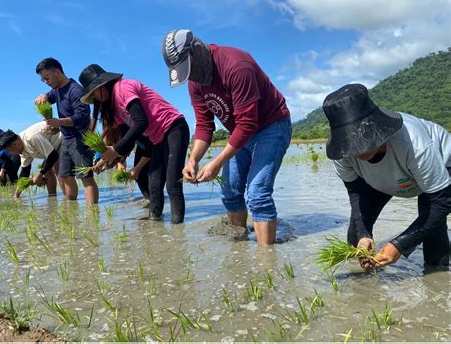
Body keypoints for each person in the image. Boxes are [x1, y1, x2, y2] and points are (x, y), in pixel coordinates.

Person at [162, 29, 291, 244]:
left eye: (189, 68)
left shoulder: (236, 66)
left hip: (271, 125)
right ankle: (240, 249)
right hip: (241, 131)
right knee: (230, 191)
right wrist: (193, 159)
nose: (191, 77)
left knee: (258, 193)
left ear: (197, 49)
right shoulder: (195, 83)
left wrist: (216, 163)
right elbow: (204, 125)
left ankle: (266, 262)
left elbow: (248, 123)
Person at [322, 83, 450, 269]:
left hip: (442, 168)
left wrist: (399, 245)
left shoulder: (415, 145)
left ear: (379, 130)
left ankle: (438, 281)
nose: (358, 151)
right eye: (352, 144)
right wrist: (364, 233)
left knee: (433, 233)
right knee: (356, 237)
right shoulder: (342, 153)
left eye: (364, 141)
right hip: (384, 180)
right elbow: (356, 193)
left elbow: (442, 202)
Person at [78, 64, 189, 223]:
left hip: (173, 127)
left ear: (102, 85)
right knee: (154, 184)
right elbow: (127, 139)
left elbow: (141, 122)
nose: (94, 97)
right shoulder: (115, 109)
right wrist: (107, 160)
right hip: (157, 138)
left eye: (93, 92)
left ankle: (178, 234)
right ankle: (157, 229)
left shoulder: (123, 88)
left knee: (173, 183)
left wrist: (115, 149)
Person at [34, 57, 98, 204]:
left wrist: (59, 122)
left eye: (47, 78)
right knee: (65, 175)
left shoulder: (75, 90)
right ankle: (71, 209)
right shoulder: (56, 90)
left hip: (80, 139)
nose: (46, 82)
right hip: (66, 139)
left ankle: (92, 216)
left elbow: (82, 116)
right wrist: (42, 96)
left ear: (57, 72)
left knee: (86, 177)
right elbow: (47, 98)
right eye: (43, 80)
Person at [0, 122, 64, 198]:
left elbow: (53, 156)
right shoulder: (22, 150)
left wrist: (40, 174)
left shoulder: (31, 137)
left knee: (57, 168)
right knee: (47, 171)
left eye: (11, 151)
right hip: (52, 148)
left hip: (62, 139)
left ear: (14, 144)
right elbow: (25, 171)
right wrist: (16, 195)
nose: (12, 153)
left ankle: (67, 199)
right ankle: (52, 198)